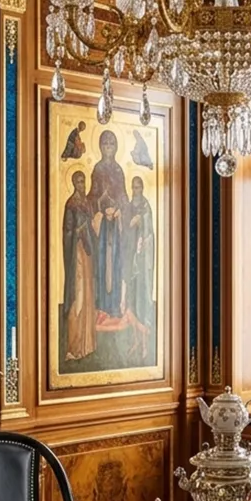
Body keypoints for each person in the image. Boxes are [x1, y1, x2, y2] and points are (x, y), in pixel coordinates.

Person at [87, 129, 130, 319]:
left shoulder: (119, 170)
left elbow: (123, 196)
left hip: (116, 225)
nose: (108, 148)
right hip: (104, 226)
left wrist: (119, 209)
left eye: (111, 144)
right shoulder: (97, 169)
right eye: (105, 144)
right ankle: (102, 304)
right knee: (102, 262)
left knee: (116, 263)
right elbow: (92, 196)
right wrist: (101, 205)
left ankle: (114, 306)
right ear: (100, 147)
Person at [62, 170, 96, 362]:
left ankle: (87, 345)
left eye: (84, 181)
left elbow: (92, 229)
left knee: (88, 294)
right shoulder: (71, 205)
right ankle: (74, 347)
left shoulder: (86, 204)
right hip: (77, 256)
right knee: (78, 295)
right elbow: (67, 231)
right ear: (74, 184)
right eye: (79, 182)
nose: (82, 185)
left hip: (87, 255)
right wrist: (78, 231)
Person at [126, 176, 155, 359]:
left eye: (139, 187)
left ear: (143, 188)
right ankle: (135, 340)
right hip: (132, 265)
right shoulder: (129, 207)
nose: (136, 190)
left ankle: (145, 345)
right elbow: (125, 233)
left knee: (143, 302)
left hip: (143, 267)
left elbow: (149, 232)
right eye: (134, 187)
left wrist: (141, 222)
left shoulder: (146, 209)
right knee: (132, 302)